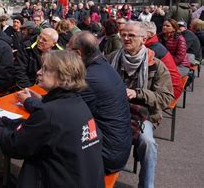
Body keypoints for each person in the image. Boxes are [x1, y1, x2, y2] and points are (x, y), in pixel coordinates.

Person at [0, 50, 104, 187]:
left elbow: (14, 146)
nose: (38, 72)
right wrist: (7, 121)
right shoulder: (78, 103)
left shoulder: (50, 112)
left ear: (62, 76)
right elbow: (43, 129)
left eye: (45, 69)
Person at [108, 21, 174, 188]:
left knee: (148, 143)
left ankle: (146, 185)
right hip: (113, 112)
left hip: (143, 114)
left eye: (131, 35)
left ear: (144, 39)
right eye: (123, 35)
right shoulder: (111, 58)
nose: (126, 38)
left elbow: (166, 97)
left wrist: (138, 93)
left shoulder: (156, 65)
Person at [68, 32, 132, 174]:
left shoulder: (90, 78)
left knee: (45, 147)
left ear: (78, 53)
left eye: (68, 51)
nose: (66, 54)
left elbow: (63, 112)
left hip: (105, 155)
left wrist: (32, 102)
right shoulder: (102, 65)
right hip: (117, 147)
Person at [143, 21, 183, 99]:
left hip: (170, 89)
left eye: (142, 32)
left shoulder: (153, 49)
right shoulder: (153, 44)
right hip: (168, 84)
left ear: (151, 34)